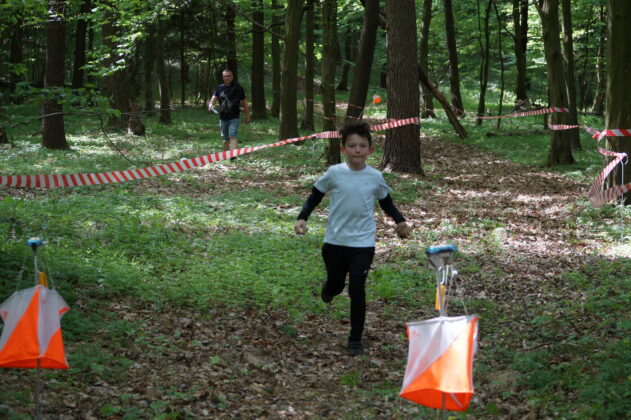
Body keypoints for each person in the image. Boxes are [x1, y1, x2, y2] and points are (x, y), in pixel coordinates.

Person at [294, 121, 412, 356]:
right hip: (335, 241)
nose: (357, 150)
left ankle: (355, 339)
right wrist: (302, 218)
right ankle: (330, 288)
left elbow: (385, 201)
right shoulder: (334, 173)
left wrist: (400, 222)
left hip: (363, 243)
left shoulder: (375, 176)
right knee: (337, 285)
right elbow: (315, 196)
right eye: (352, 146)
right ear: (343, 149)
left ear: (370, 150)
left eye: (362, 146)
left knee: (357, 288)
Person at [208, 69, 251, 160]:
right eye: (225, 76)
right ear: (223, 77)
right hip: (223, 117)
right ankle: (225, 155)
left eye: (228, 76)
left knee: (232, 135)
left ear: (232, 77)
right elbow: (214, 98)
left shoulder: (238, 88)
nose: (227, 78)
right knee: (225, 138)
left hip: (234, 117)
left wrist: (247, 116)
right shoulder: (220, 87)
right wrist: (211, 104)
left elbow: (244, 103)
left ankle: (233, 155)